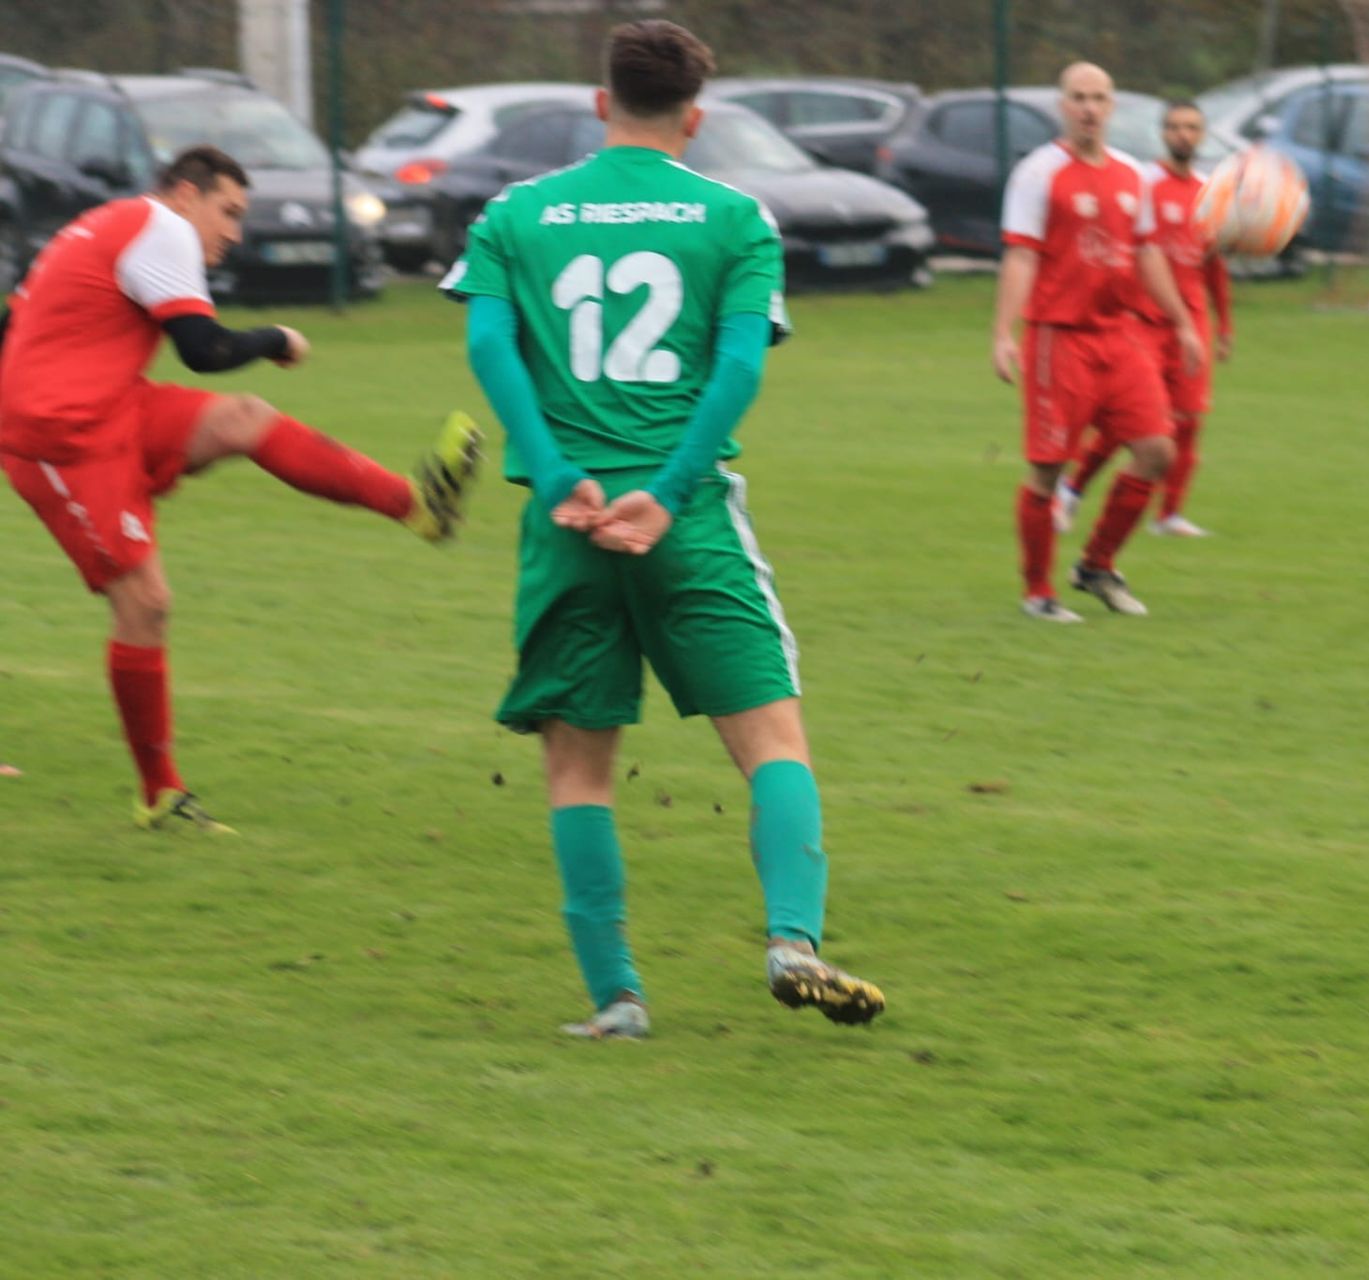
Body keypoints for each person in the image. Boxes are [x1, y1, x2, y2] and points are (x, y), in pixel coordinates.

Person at [441, 19, 885, 1039]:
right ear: (696, 115)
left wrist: (557, 471)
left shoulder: (515, 214)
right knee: (773, 743)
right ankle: (791, 941)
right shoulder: (736, 219)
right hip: (680, 518)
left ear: (601, 104)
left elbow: (487, 342)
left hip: (567, 523)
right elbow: (738, 368)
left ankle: (617, 998)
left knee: (578, 767)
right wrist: (672, 486)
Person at [0, 146, 481, 833]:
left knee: (242, 419)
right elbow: (205, 349)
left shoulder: (105, 222)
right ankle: (159, 794)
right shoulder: (160, 227)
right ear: (185, 194)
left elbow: (12, 322)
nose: (233, 232)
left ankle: (418, 508)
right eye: (227, 212)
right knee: (146, 604)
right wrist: (277, 337)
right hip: (60, 439)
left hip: (106, 406)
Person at [992, 62, 1204, 623]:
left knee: (1158, 450)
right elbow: (1020, 255)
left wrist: (1182, 321)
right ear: (1063, 106)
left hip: (1121, 336)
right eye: (1079, 98)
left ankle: (1096, 566)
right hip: (1057, 341)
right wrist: (1003, 333)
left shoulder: (1133, 176)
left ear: (1112, 107)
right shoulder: (1039, 174)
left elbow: (1148, 252)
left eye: (1100, 98)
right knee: (1048, 470)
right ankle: (1038, 591)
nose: (1089, 108)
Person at [1056, 100, 1233, 539]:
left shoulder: (1209, 193)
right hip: (1142, 321)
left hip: (1190, 322)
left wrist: (1224, 324)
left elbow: (1212, 265)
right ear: (1163, 134)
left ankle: (1168, 514)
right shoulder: (1144, 184)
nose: (1183, 135)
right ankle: (1072, 489)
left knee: (1189, 419)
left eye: (1192, 127)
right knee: (1133, 421)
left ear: (1202, 135)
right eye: (1174, 127)